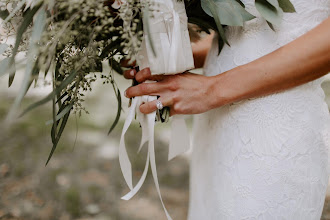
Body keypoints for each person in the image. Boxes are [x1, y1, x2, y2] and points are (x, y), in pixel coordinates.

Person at [124, 0, 330, 219]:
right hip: (216, 123)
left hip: (274, 128)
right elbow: (246, 31)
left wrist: (213, 89)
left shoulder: (216, 92)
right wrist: (170, 55)